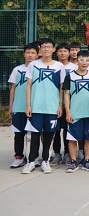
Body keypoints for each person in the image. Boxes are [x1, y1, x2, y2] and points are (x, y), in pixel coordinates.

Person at [22, 38, 66, 174]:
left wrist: (60, 105)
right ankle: (31, 161)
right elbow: (28, 86)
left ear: (53, 49)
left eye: (49, 47)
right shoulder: (33, 65)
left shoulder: (59, 66)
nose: (46, 49)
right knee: (34, 135)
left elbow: (61, 88)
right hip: (36, 106)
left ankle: (46, 160)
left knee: (49, 135)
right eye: (44, 47)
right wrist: (28, 105)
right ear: (40, 49)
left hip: (52, 107)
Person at [63, 50, 89, 172]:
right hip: (75, 114)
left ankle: (87, 161)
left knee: (88, 138)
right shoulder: (70, 76)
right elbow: (67, 95)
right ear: (77, 61)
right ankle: (73, 162)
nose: (84, 63)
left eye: (87, 60)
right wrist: (68, 112)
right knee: (72, 139)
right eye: (81, 60)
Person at [8, 43, 38, 168]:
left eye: (33, 53)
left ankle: (33, 157)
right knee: (19, 134)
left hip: (34, 107)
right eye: (28, 52)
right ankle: (19, 157)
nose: (30, 55)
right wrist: (11, 106)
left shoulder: (38, 69)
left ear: (37, 55)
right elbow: (13, 88)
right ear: (24, 54)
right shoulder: (17, 69)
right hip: (19, 107)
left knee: (33, 134)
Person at [52, 43, 77, 164]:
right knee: (55, 130)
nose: (62, 53)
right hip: (54, 103)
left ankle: (68, 153)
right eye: (60, 51)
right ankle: (57, 153)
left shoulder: (74, 67)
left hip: (70, 104)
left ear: (69, 53)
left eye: (65, 51)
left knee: (67, 129)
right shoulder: (53, 66)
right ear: (56, 53)